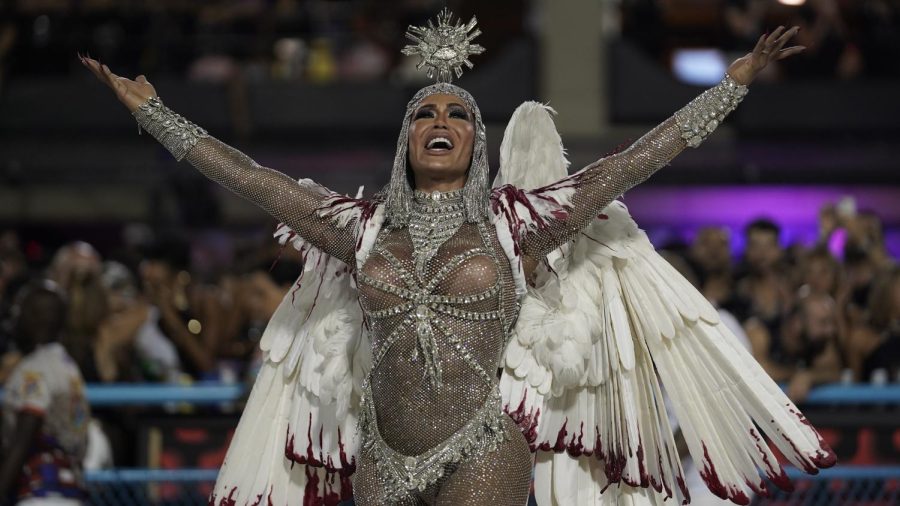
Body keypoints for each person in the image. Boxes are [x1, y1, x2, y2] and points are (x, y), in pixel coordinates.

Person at [82, 11, 831, 505]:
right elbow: (250, 179)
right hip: (379, 451)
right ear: (405, 138)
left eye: (458, 115)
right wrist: (153, 113)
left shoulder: (517, 223)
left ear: (478, 141)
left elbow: (625, 166)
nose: (440, 122)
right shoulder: (360, 228)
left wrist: (728, 88)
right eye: (425, 115)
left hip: (483, 447)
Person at [0, 281, 90, 506]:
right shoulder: (70, 368)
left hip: (40, 491)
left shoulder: (35, 368)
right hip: (72, 492)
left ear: (33, 318)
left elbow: (27, 429)